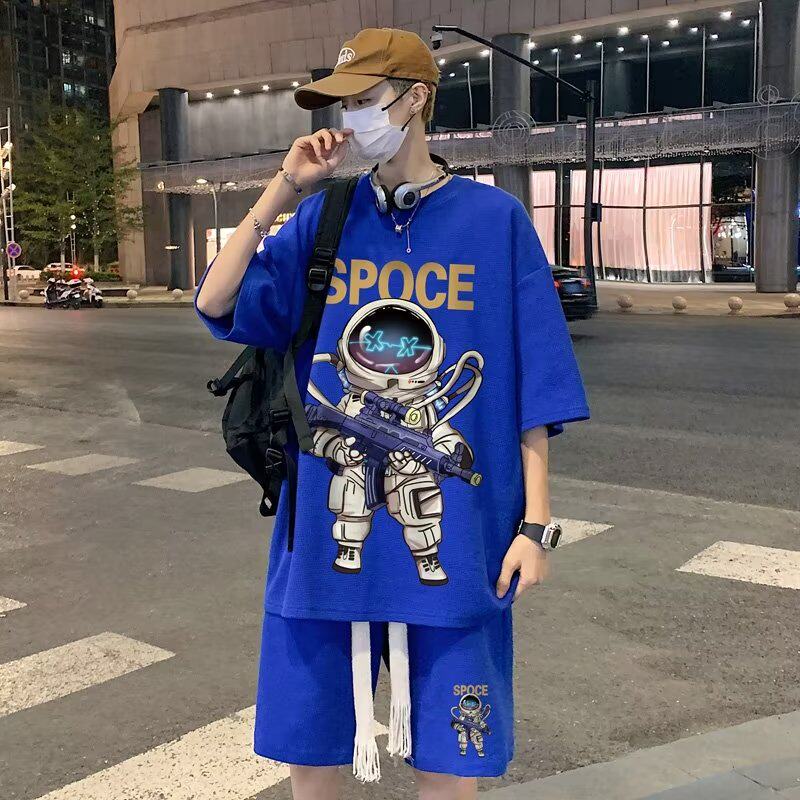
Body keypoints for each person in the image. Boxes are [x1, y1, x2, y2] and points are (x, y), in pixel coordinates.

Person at [195, 26, 590, 800]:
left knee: (451, 768)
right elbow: (216, 300)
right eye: (341, 105)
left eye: (365, 100)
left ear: (416, 99)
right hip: (323, 549)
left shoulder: (495, 222)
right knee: (311, 760)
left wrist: (536, 526)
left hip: (459, 547)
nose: (349, 120)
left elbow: (534, 389)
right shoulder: (327, 218)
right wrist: (284, 189)